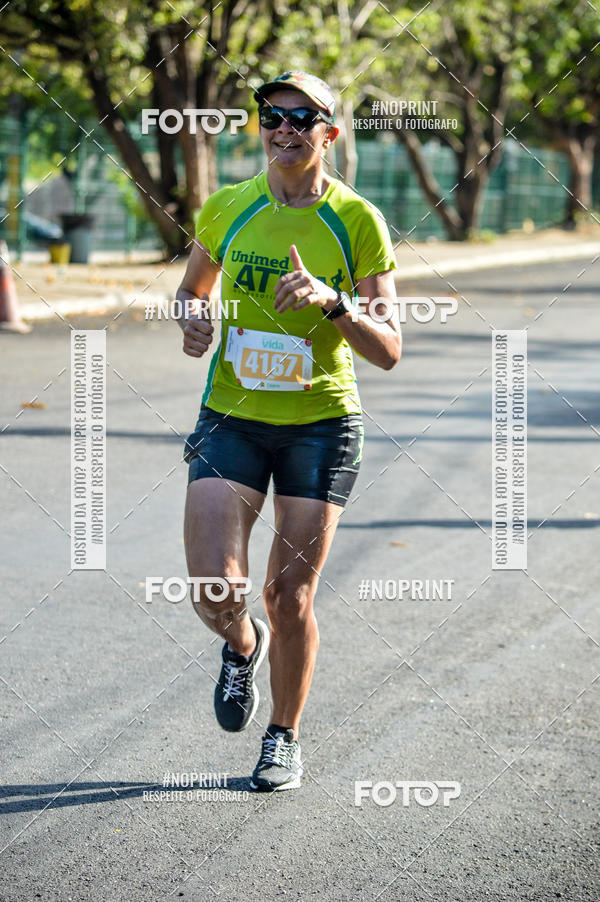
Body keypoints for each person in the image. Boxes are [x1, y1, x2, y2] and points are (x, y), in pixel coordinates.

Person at [175, 71, 401, 792]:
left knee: (289, 595)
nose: (285, 127)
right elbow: (191, 290)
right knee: (216, 587)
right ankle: (241, 648)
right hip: (232, 418)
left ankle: (283, 737)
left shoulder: (357, 220)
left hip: (321, 427)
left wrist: (335, 302)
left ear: (329, 134)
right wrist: (191, 318)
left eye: (304, 117)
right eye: (273, 114)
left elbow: (389, 347)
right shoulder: (228, 207)